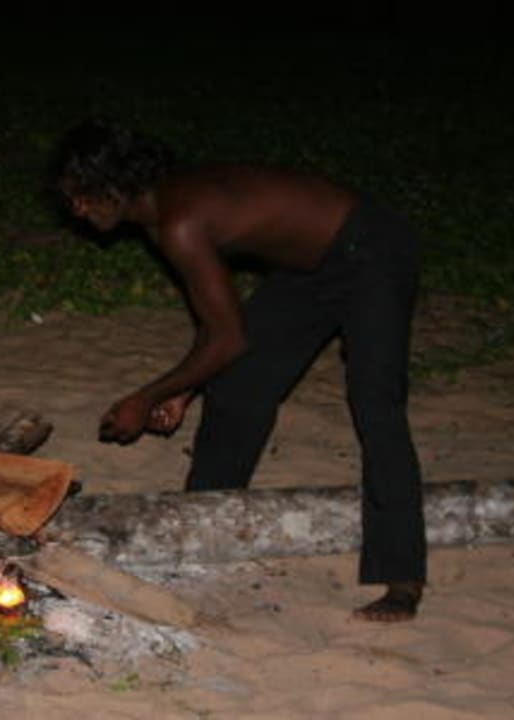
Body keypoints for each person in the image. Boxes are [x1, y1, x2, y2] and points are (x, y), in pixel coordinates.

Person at [54, 120, 426, 621]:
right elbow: (218, 329)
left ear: (114, 187)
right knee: (238, 385)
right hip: (309, 268)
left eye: (82, 196)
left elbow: (228, 338)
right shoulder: (162, 214)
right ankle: (203, 522)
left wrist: (146, 397)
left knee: (375, 402)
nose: (77, 210)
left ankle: (402, 578)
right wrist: (185, 390)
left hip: (372, 248)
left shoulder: (179, 221)